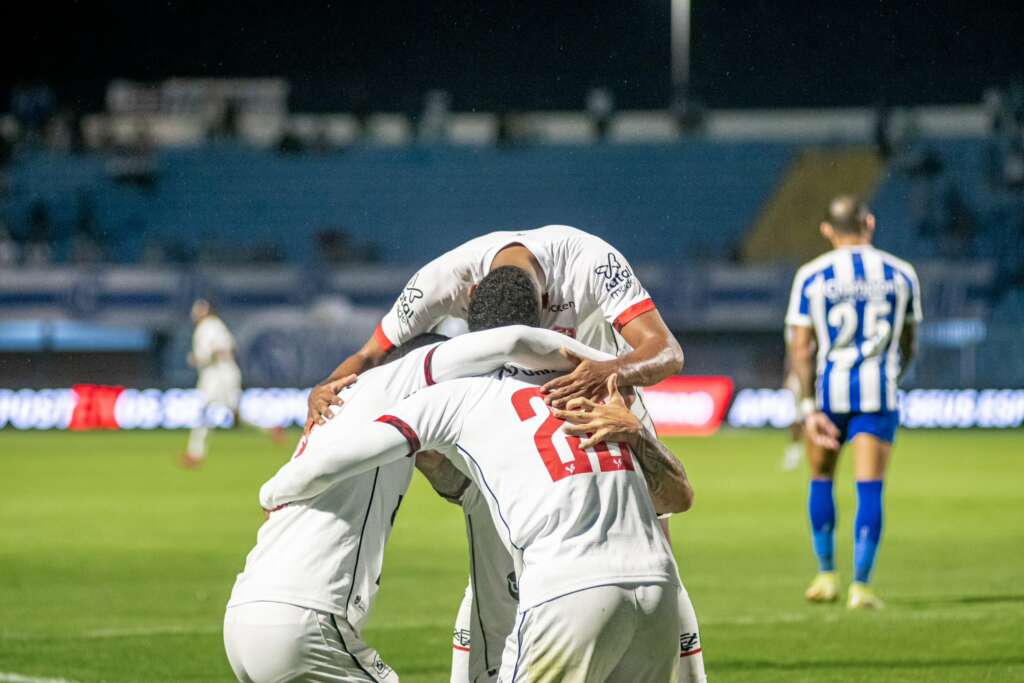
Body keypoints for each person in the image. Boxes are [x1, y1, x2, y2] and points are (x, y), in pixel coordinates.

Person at [304, 225, 703, 683]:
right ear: (470, 297)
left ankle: (685, 670)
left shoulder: (589, 261)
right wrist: (326, 388)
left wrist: (607, 372)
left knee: (651, 542)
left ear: (546, 307)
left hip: (601, 401)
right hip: (516, 418)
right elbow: (371, 356)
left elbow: (666, 351)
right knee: (501, 552)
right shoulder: (440, 279)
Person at [258, 368, 695, 683]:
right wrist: (637, 435)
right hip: (657, 591)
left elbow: (354, 449)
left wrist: (277, 489)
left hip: (570, 588)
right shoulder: (594, 390)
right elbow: (679, 498)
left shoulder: (463, 393)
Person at [785, 195, 922, 609]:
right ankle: (861, 586)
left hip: (829, 395)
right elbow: (909, 340)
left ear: (827, 230)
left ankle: (826, 576)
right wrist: (894, 375)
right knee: (870, 488)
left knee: (821, 479)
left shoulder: (812, 275)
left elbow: (802, 347)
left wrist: (807, 407)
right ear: (870, 223)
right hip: (878, 394)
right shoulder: (902, 274)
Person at [182, 299, 244, 467]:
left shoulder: (207, 327)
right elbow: (229, 346)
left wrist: (197, 359)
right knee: (231, 412)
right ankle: (270, 430)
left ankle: (195, 453)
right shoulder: (217, 325)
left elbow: (217, 350)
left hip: (217, 374)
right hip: (225, 372)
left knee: (204, 411)